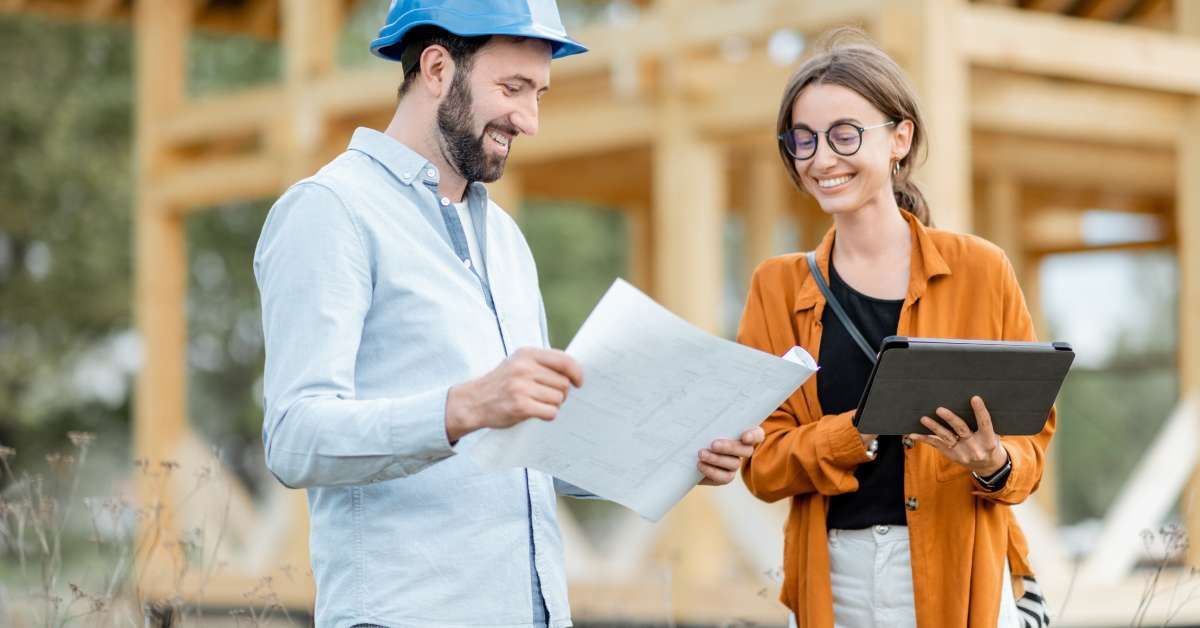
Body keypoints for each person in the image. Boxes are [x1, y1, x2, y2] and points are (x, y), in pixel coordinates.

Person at [253, 2, 763, 626]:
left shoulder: (506, 239)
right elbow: (295, 438)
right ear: (438, 67)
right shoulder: (331, 212)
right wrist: (463, 408)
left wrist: (677, 453)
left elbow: (531, 458)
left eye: (539, 93)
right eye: (512, 88)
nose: (530, 120)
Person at [736, 29, 1053, 628]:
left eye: (844, 135)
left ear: (899, 139)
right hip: (837, 578)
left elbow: (1032, 448)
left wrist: (992, 463)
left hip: (967, 575)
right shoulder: (775, 287)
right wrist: (854, 434)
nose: (821, 159)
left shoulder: (981, 269)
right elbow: (762, 465)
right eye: (803, 141)